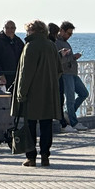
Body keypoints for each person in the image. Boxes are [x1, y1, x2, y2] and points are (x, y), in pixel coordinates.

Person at [11, 19, 60, 168]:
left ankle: (31, 157)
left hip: (32, 93)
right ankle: (45, 156)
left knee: (30, 125)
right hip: (48, 92)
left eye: (28, 30)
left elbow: (26, 72)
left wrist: (21, 93)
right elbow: (59, 69)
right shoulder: (51, 45)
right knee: (46, 125)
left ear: (33, 31)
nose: (26, 33)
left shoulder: (30, 46)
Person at [56, 21, 90, 131]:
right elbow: (58, 61)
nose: (70, 36)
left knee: (84, 93)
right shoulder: (57, 43)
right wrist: (73, 57)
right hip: (65, 74)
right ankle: (74, 122)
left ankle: (68, 114)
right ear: (61, 31)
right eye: (68, 33)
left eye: (71, 34)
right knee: (70, 99)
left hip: (72, 73)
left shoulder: (66, 43)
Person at [0, 20, 24, 87]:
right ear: (3, 28)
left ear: (15, 29)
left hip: (17, 76)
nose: (10, 30)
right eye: (7, 27)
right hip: (3, 78)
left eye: (12, 28)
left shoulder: (18, 41)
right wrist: (0, 74)